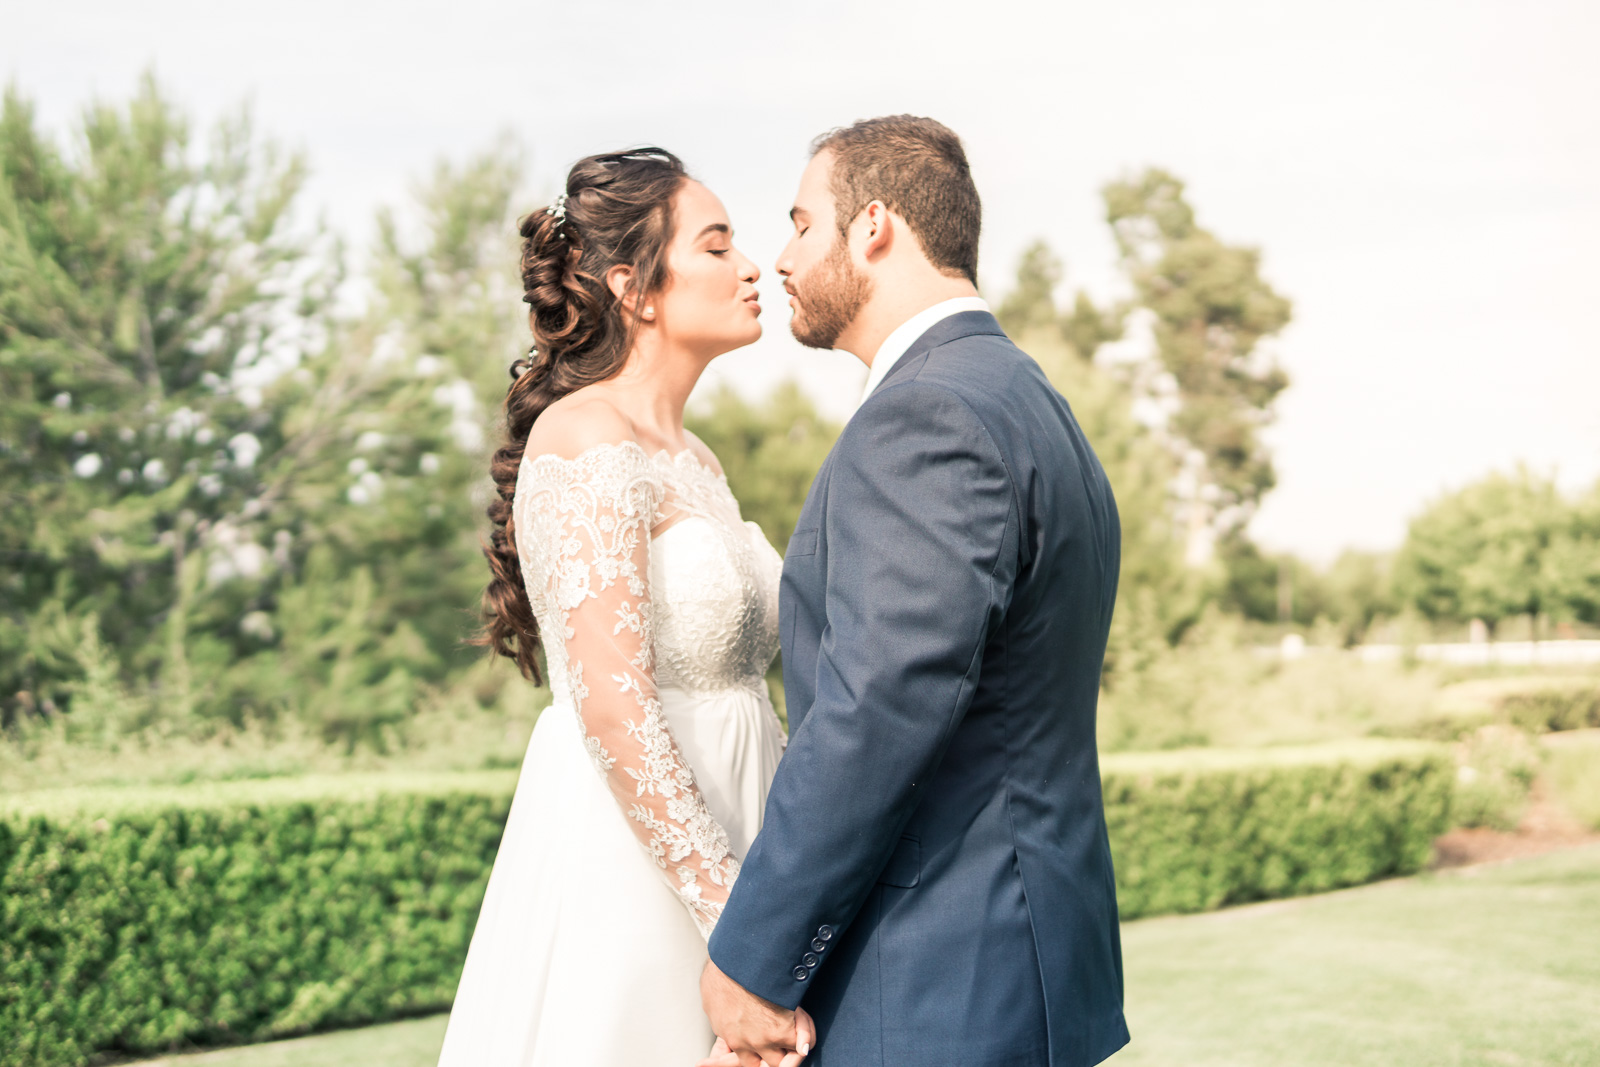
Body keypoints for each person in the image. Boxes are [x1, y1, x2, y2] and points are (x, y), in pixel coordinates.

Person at [700, 116, 1131, 1067]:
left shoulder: (926, 416)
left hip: (945, 976)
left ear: (876, 226)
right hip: (1030, 963)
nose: (781, 258)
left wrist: (755, 959)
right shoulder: (1028, 398)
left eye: (802, 223)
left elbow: (878, 708)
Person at [437, 148, 813, 1067]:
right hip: (640, 865)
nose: (753, 265)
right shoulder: (584, 434)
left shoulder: (702, 461)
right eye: (719, 245)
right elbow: (612, 699)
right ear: (633, 287)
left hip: (748, 815)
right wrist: (733, 925)